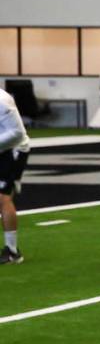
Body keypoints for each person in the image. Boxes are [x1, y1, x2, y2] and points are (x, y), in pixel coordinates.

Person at [0, 88, 30, 264]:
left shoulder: (1, 100)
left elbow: (17, 133)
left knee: (3, 198)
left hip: (13, 149)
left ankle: (12, 251)